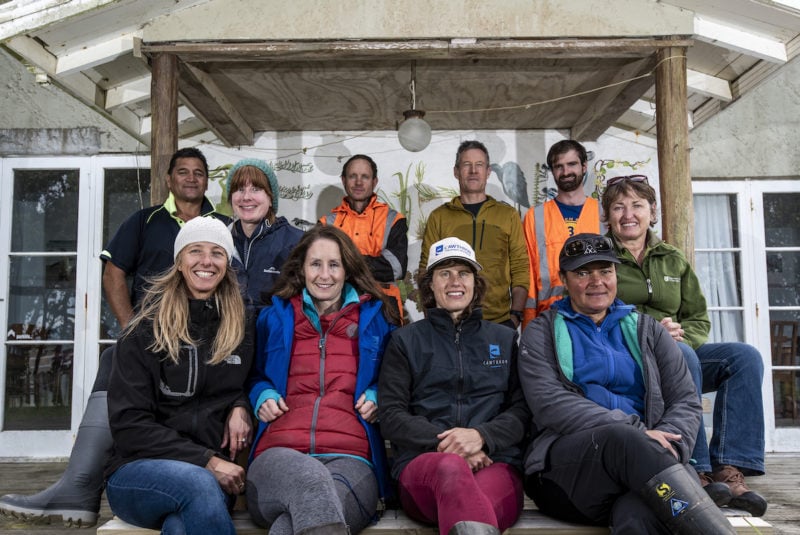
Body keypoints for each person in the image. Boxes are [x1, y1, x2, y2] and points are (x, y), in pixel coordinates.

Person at [0, 147, 228, 527]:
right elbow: (114, 273)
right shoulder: (144, 220)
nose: (191, 178)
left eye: (199, 172)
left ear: (207, 181)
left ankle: (85, 485)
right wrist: (133, 331)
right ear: (169, 179)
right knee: (116, 359)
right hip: (155, 339)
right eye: (183, 171)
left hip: (205, 339)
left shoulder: (222, 225)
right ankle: (79, 484)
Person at [518, 233, 736, 534]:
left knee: (638, 513)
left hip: (644, 466)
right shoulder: (541, 333)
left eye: (605, 271)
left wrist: (670, 444)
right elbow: (551, 404)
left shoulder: (648, 330)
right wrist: (639, 434)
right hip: (568, 474)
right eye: (583, 273)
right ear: (564, 280)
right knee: (624, 440)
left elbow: (684, 400)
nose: (597, 281)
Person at [602, 175, 767, 516]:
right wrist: (654, 336)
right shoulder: (603, 259)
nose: (628, 214)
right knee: (683, 355)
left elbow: (697, 317)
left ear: (652, 212)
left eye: (637, 205)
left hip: (678, 349)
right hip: (627, 356)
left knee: (744, 357)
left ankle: (729, 466)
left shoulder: (672, 258)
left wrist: (681, 335)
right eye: (618, 207)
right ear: (608, 216)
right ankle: (698, 468)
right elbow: (596, 316)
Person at [246, 225, 400, 534]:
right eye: (316, 264)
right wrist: (260, 393)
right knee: (312, 484)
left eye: (334, 264)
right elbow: (250, 375)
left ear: (347, 270)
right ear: (301, 269)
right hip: (278, 455)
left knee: (293, 524)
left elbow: (398, 378)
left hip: (352, 458)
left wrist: (378, 393)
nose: (324, 274)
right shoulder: (272, 318)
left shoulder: (376, 319)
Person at [104, 216, 253, 535]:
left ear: (227, 264)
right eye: (195, 250)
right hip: (138, 473)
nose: (206, 261)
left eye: (217, 253)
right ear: (180, 262)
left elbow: (249, 379)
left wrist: (241, 404)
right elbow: (129, 425)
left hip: (213, 480)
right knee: (197, 484)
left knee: (181, 528)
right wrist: (207, 460)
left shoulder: (240, 327)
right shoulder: (144, 330)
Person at [379, 237, 528, 535]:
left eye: (463, 273)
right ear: (430, 285)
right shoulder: (405, 341)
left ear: (475, 282)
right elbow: (392, 415)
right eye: (444, 273)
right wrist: (451, 446)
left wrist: (480, 436)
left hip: (494, 462)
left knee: (476, 503)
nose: (454, 281)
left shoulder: (504, 339)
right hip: (424, 467)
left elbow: (522, 411)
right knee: (451, 468)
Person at [419, 140, 528, 328]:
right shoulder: (439, 216)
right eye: (466, 164)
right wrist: (433, 318)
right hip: (451, 321)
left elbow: (520, 267)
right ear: (456, 171)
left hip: (499, 321)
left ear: (488, 172)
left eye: (479, 165)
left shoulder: (508, 215)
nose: (473, 171)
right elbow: (425, 270)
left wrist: (516, 315)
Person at [522, 140, 601, 327]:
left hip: (596, 316)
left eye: (572, 164)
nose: (566, 172)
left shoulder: (603, 213)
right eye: (559, 166)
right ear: (552, 171)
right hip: (549, 317)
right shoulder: (535, 216)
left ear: (584, 166)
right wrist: (529, 324)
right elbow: (528, 275)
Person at [320, 154, 408, 319]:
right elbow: (321, 268)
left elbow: (395, 267)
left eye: (365, 177)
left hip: (384, 306)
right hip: (338, 305)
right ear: (343, 180)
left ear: (374, 182)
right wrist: (371, 264)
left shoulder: (393, 219)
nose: (358, 182)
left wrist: (344, 263)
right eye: (353, 176)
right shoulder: (327, 224)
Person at [227, 158, 303, 310]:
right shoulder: (221, 240)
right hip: (230, 325)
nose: (246, 197)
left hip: (274, 326)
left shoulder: (297, 242)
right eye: (240, 189)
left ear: (270, 198)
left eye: (256, 189)